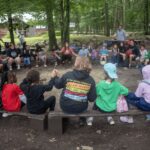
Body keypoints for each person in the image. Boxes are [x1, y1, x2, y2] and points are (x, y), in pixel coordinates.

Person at [53, 56, 96, 125]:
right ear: (88, 65)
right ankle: (81, 119)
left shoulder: (68, 75)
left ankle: (67, 119)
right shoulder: (91, 80)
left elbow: (57, 85)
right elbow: (92, 99)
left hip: (65, 106)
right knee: (81, 106)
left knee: (70, 105)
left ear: (76, 63)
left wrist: (55, 77)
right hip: (81, 108)